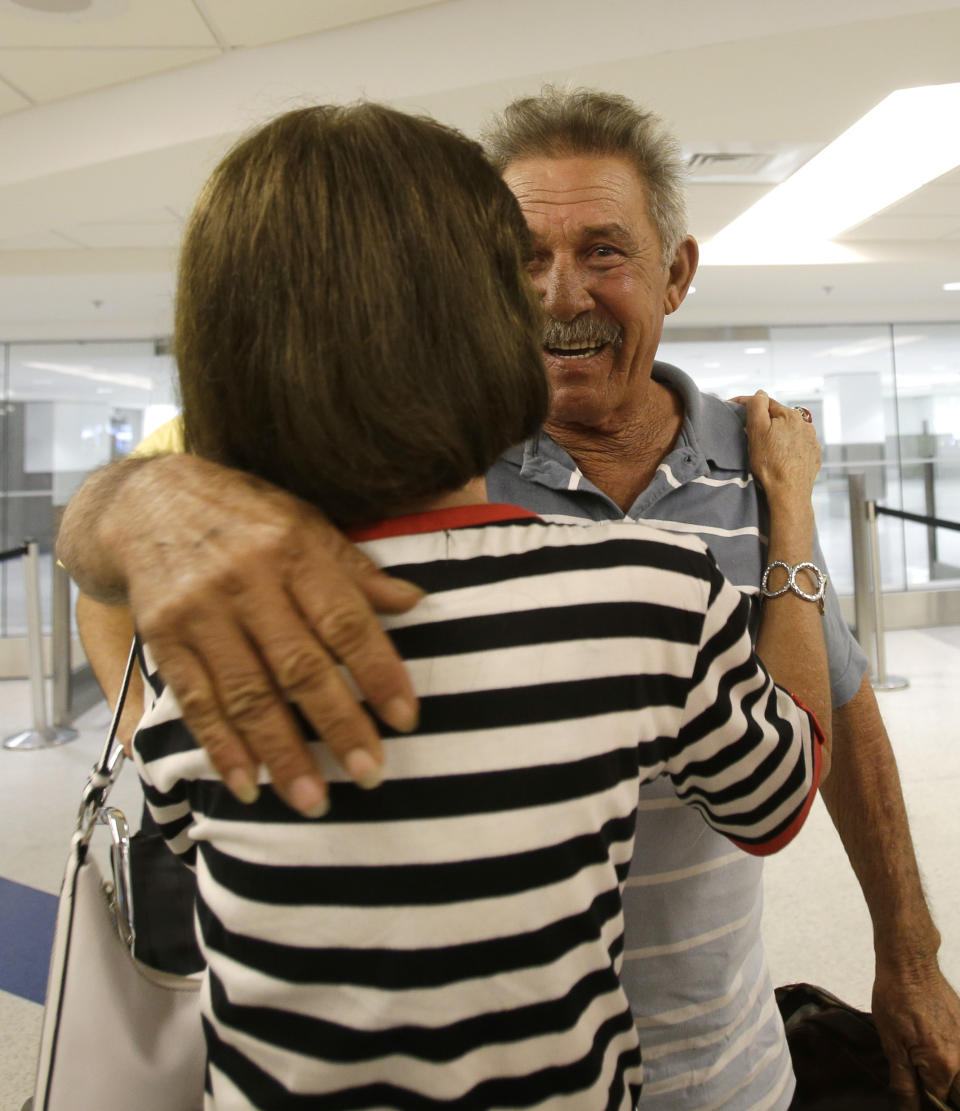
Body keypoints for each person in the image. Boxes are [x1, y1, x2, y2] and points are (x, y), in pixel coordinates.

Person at [58, 88, 960, 1110]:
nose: (558, 295)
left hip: (725, 1063)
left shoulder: (756, 460)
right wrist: (142, 501)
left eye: (603, 252)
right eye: (523, 260)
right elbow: (101, 538)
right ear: (476, 296)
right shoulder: (407, 470)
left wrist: (910, 950)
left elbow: (836, 707)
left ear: (677, 272)